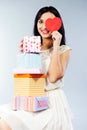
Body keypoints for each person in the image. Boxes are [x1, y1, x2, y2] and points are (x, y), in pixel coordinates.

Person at [0, 6, 73, 130]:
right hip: (31, 99)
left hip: (51, 103)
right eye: (40, 21)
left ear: (57, 25)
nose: (44, 27)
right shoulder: (32, 45)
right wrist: (25, 56)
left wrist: (56, 45)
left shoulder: (63, 50)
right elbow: (27, 78)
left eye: (49, 22)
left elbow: (53, 77)